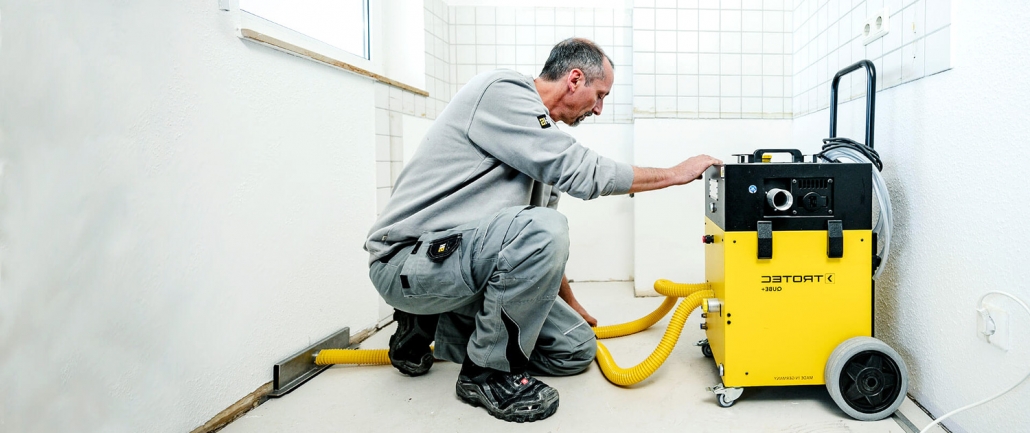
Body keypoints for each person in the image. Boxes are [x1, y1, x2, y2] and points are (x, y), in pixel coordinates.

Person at [364, 37, 721, 422]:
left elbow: (534, 252)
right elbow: (570, 192)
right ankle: (486, 372)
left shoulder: (540, 149)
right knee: (546, 226)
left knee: (575, 349)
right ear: (574, 79)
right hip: (406, 263)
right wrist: (673, 174)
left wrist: (573, 305)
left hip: (462, 266)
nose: (599, 109)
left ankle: (432, 325)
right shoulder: (501, 93)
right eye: (599, 95)